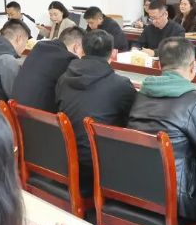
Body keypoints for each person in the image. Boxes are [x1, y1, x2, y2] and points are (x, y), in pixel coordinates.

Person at [127, 37, 196, 221]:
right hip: (179, 200)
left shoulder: (141, 94)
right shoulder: (195, 103)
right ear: (193, 67)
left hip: (136, 188)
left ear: (160, 65)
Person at [56, 30, 137, 195]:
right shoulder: (120, 85)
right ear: (112, 53)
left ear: (82, 50)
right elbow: (132, 122)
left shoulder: (64, 78)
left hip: (64, 157)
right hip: (100, 165)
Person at [11, 27, 85, 113]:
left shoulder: (39, 48)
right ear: (76, 47)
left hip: (15, 112)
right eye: (83, 52)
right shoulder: (69, 60)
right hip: (39, 117)